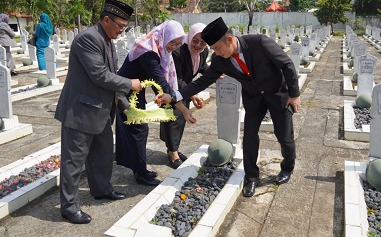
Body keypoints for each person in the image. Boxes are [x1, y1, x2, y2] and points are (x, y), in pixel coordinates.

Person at [157, 17, 301, 198]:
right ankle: (251, 177)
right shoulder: (220, 60)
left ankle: (287, 167)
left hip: (278, 94)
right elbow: (202, 81)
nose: (216, 53)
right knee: (249, 137)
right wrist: (176, 96)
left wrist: (294, 95)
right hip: (254, 99)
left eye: (217, 48)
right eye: (213, 50)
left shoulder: (260, 43)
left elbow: (286, 64)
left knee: (284, 136)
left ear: (230, 40)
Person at [54, 0, 142, 224]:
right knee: (74, 162)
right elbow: (100, 75)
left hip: (102, 111)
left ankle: (101, 189)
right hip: (80, 112)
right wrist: (129, 83)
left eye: (125, 27)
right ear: (106, 19)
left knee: (102, 155)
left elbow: (107, 81)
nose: (122, 31)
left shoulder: (107, 39)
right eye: (120, 26)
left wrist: (124, 106)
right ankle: (69, 207)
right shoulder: (88, 39)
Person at [115, 20, 196, 186]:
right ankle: (140, 172)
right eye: (172, 42)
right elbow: (162, 83)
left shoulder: (158, 48)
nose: (173, 47)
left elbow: (161, 82)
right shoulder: (148, 52)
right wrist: (183, 109)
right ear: (164, 36)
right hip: (125, 93)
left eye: (178, 44)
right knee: (139, 129)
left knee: (138, 130)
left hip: (137, 91)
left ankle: (139, 168)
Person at [159, 23, 209, 168]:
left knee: (180, 121)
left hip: (185, 89)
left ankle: (173, 148)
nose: (198, 45)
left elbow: (202, 66)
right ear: (190, 37)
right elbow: (177, 78)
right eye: (195, 41)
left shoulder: (203, 52)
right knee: (174, 117)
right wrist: (193, 94)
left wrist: (217, 74)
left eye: (203, 42)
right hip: (170, 87)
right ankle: (173, 153)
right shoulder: (179, 51)